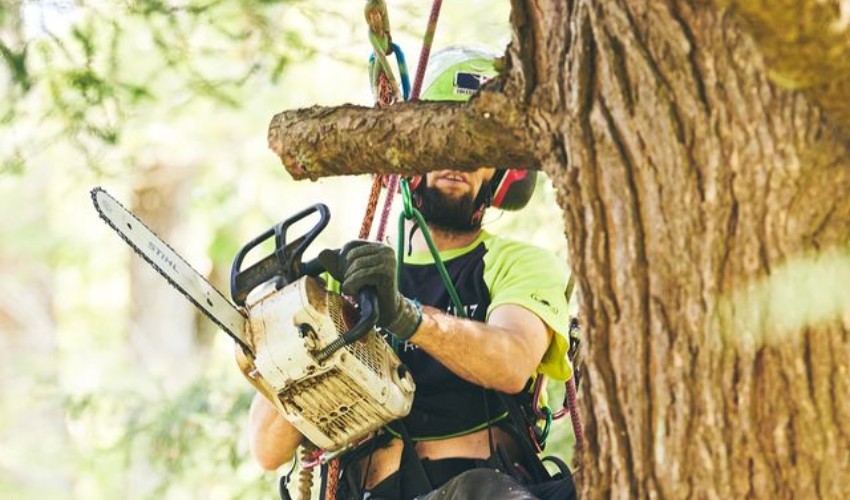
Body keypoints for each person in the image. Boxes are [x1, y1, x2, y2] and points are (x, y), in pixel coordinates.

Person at [247, 46, 577, 500]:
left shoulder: (519, 264)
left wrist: (407, 318)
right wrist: (297, 338)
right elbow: (266, 450)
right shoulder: (352, 280)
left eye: (474, 147)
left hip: (478, 488)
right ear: (409, 152)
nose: (456, 160)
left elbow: (512, 361)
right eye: (439, 142)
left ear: (501, 170)